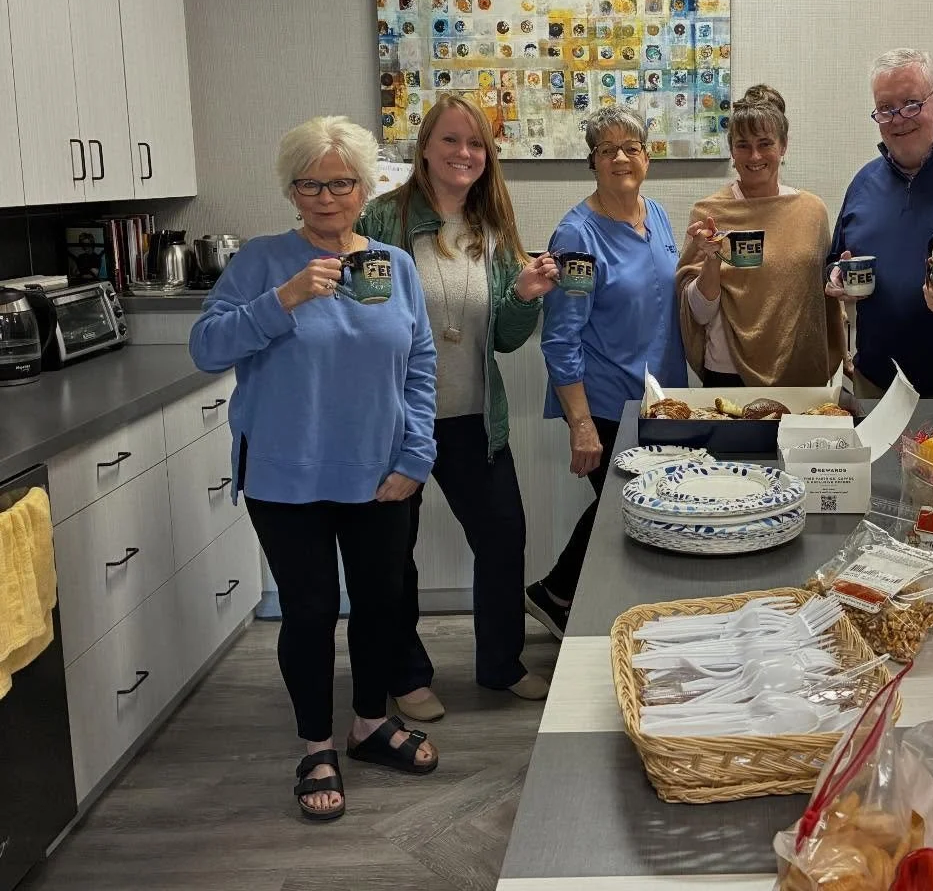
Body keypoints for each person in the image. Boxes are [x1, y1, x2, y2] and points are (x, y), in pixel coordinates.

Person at [190, 115, 439, 821]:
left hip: (382, 474)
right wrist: (285, 299)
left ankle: (367, 724)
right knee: (309, 613)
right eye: (310, 184)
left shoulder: (396, 265)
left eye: (340, 182)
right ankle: (314, 744)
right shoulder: (263, 262)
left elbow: (421, 363)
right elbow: (206, 346)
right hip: (286, 474)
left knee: (381, 606)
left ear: (364, 188)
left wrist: (417, 455)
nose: (326, 197)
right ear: (292, 190)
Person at [357, 94, 559, 710]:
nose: (463, 154)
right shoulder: (380, 221)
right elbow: (360, 321)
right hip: (399, 420)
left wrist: (525, 295)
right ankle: (406, 675)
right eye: (450, 140)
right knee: (395, 552)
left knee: (503, 539)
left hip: (476, 417)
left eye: (475, 144)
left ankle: (499, 664)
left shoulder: (491, 228)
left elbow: (501, 339)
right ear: (424, 148)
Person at [526, 108, 686, 637]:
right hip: (605, 399)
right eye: (607, 149)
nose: (621, 157)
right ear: (592, 162)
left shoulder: (657, 215)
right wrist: (581, 423)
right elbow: (560, 335)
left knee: (640, 507)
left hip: (659, 400)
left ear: (647, 155)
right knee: (627, 504)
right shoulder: (576, 234)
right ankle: (557, 593)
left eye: (631, 146)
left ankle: (560, 593)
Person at [826, 48, 933, 401]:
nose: (898, 118)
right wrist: (836, 277)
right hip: (874, 387)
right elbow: (834, 262)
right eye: (886, 109)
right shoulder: (864, 182)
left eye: (910, 104)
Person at [676, 84, 843, 386]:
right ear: (731, 150)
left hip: (800, 371)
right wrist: (713, 259)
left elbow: (824, 297)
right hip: (729, 373)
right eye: (743, 145)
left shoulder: (811, 211)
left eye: (765, 143)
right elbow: (699, 314)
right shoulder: (710, 214)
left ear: (783, 146)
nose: (754, 156)